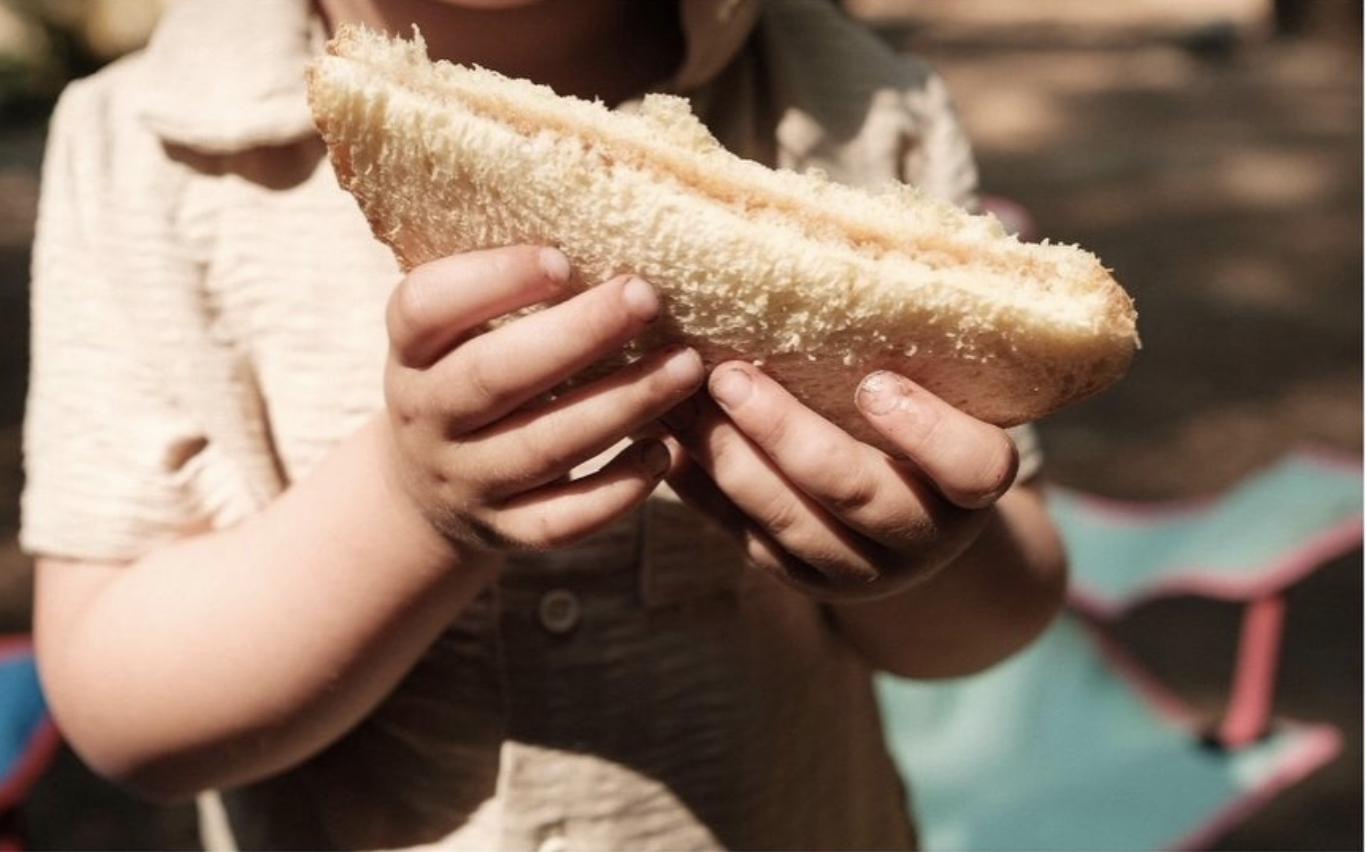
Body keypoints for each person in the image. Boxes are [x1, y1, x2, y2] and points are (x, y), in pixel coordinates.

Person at [21, 0, 1068, 848]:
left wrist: (922, 550)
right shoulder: (138, 146)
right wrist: (407, 506)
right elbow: (126, 717)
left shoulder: (869, 108)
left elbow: (994, 622)